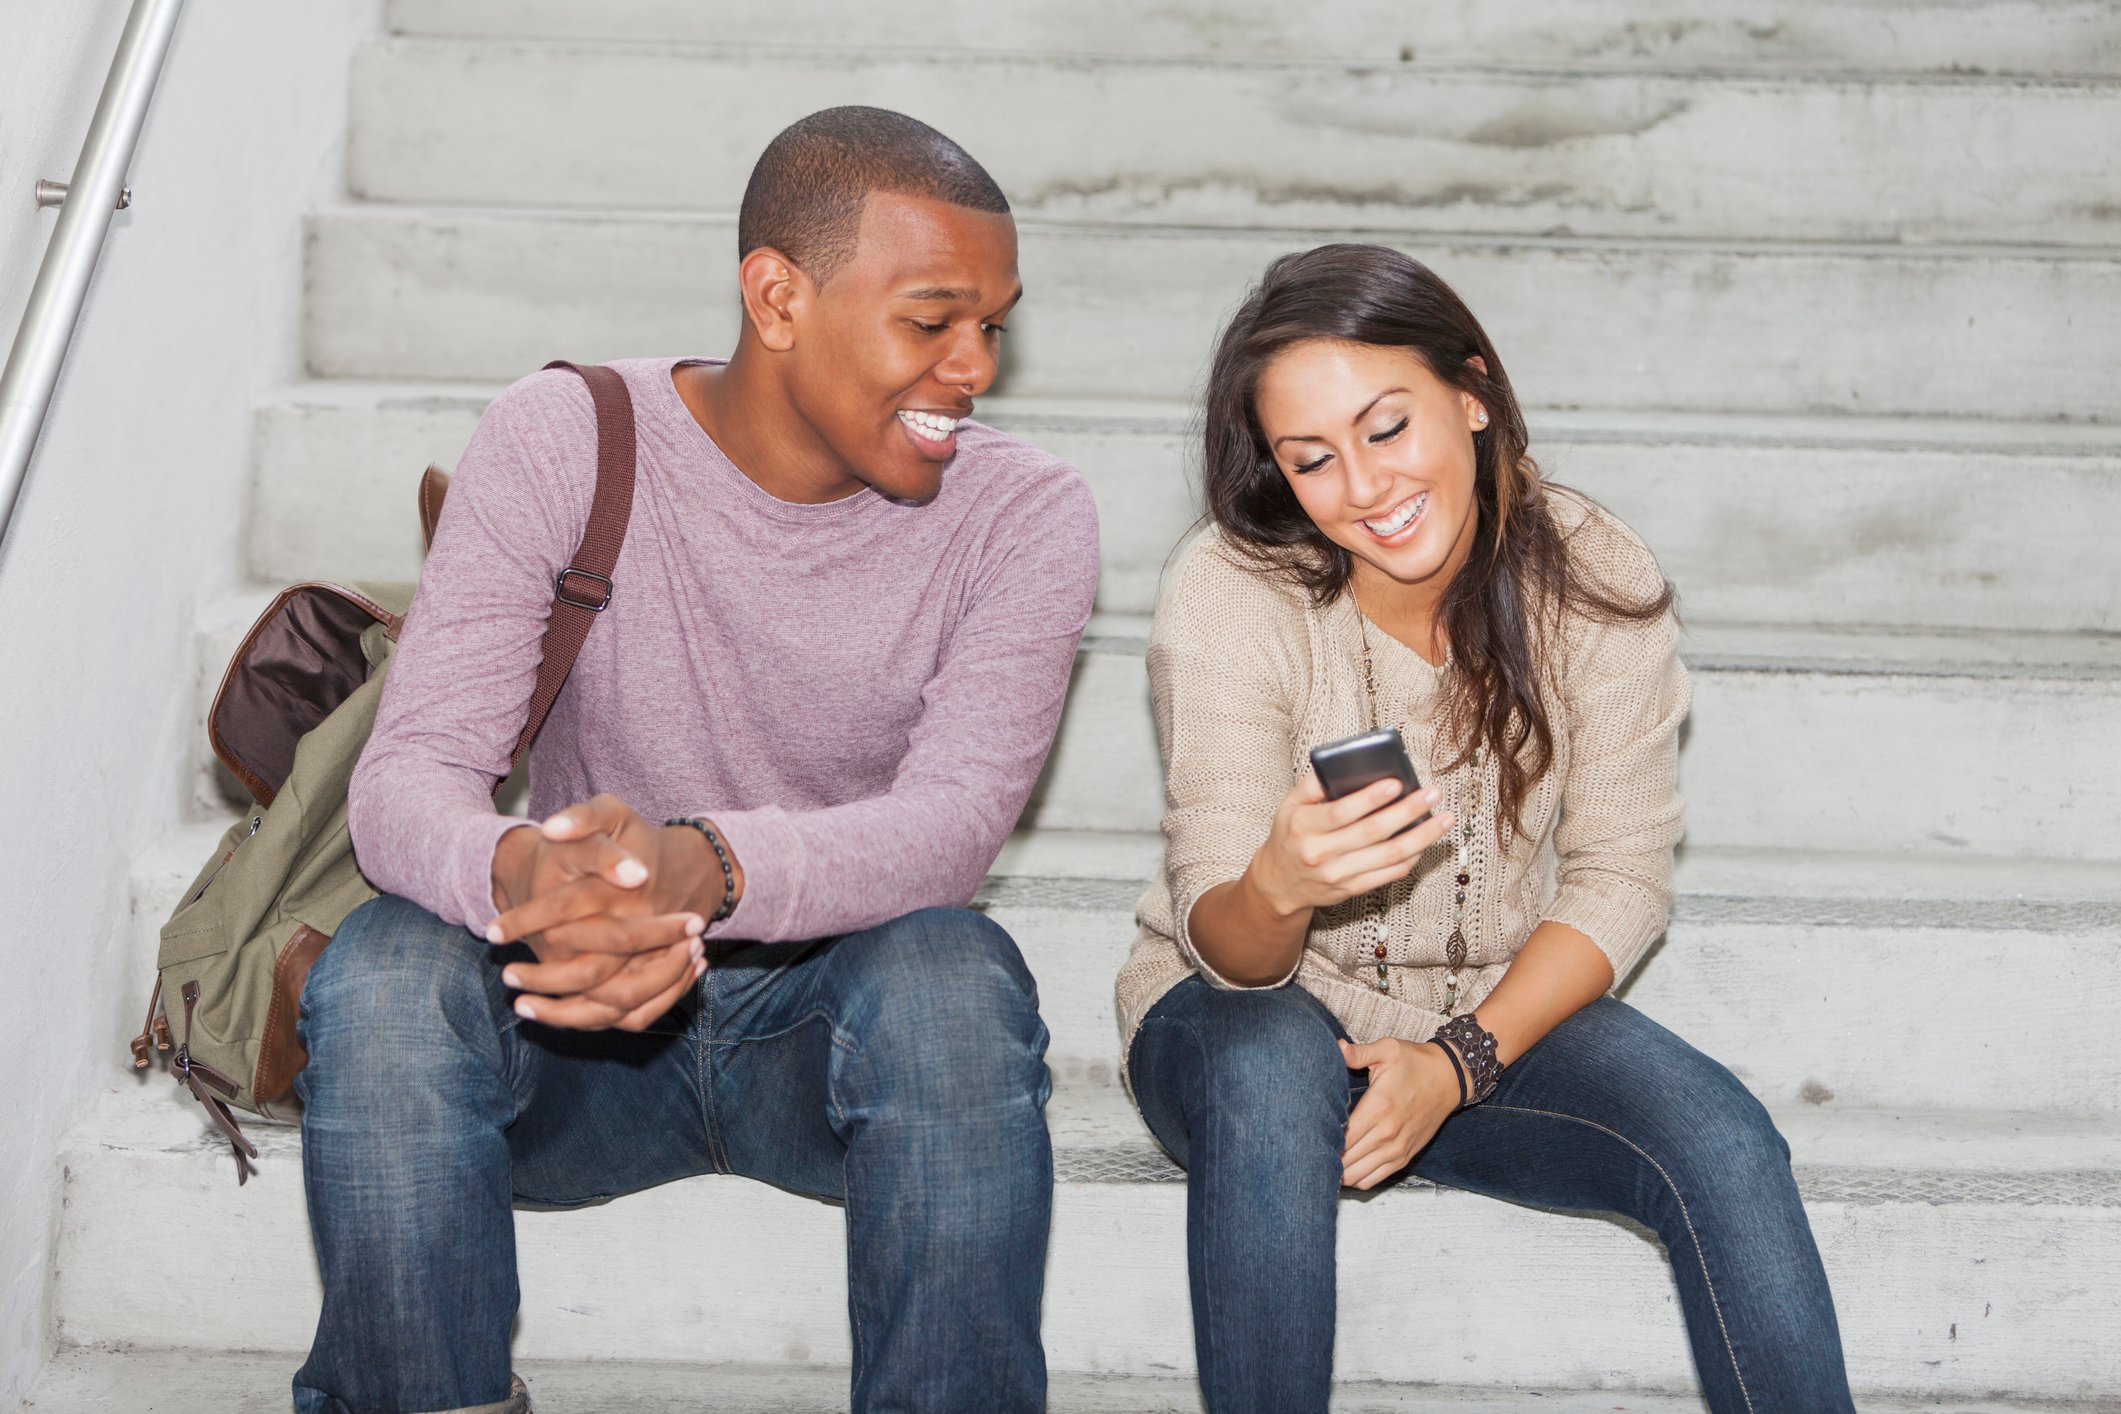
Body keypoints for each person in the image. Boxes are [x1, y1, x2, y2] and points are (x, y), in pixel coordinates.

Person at [294, 107, 1099, 1414]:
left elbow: (949, 830)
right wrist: (528, 879)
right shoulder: (563, 433)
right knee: (384, 970)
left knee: (956, 972)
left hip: (832, 1040)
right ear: (777, 296)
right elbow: (405, 780)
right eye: (931, 319)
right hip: (572, 1029)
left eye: (992, 324)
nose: (974, 367)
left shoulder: (1025, 514)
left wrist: (701, 866)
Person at [1114, 243, 1852, 1413]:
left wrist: (1459, 1064)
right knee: (1266, 1065)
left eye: (1387, 426)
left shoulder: (1592, 575)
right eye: (1313, 459)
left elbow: (1619, 879)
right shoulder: (1231, 589)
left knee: (1720, 1134)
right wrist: (1280, 884)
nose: (1362, 486)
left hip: (1486, 1032)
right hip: (1246, 1010)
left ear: (1473, 393)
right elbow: (1228, 943)